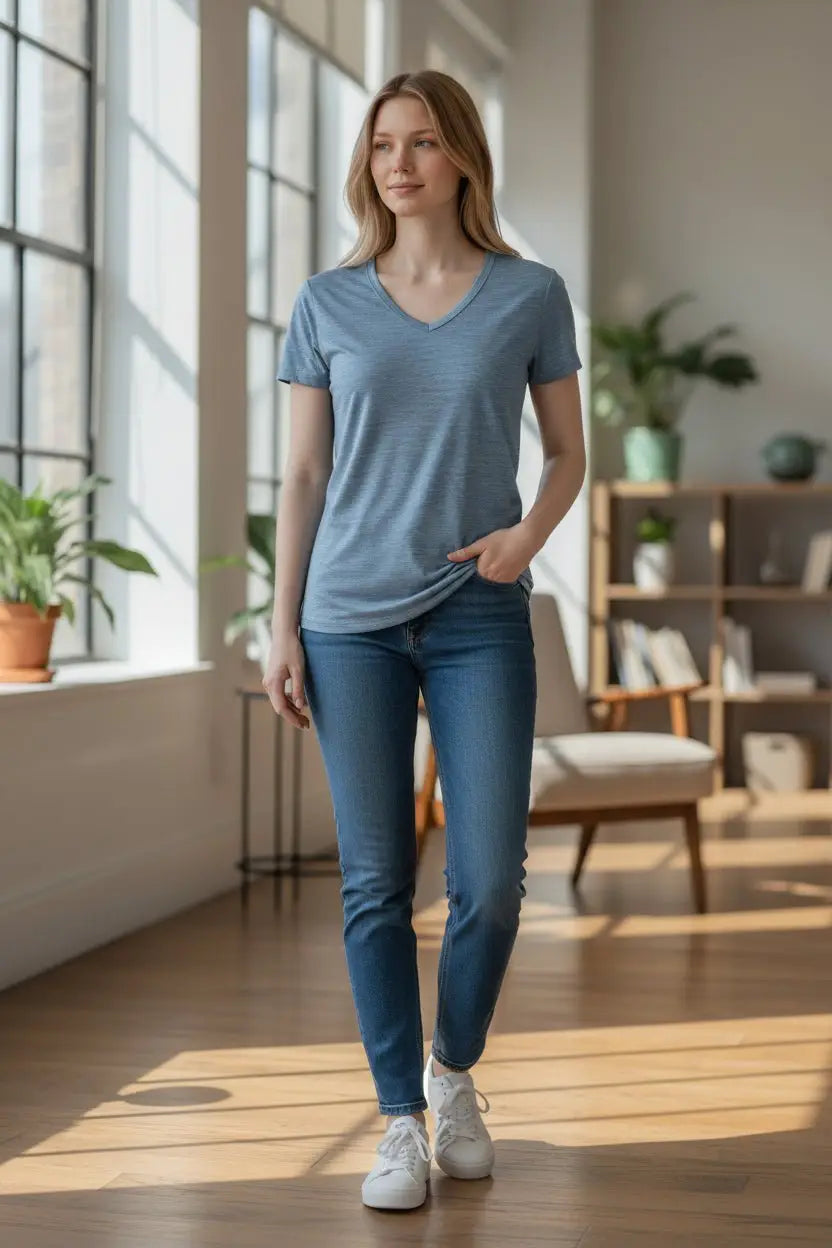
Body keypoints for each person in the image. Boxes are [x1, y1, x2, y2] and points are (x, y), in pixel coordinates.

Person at [262, 69, 585, 1212]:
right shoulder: (326, 302)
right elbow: (301, 473)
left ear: (460, 160)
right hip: (346, 617)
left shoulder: (528, 293)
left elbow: (564, 454)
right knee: (373, 882)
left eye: (423, 142)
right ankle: (397, 1117)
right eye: (383, 144)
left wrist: (523, 538)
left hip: (477, 609)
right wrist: (279, 623)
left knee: (491, 878)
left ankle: (454, 1077)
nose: (398, 163)